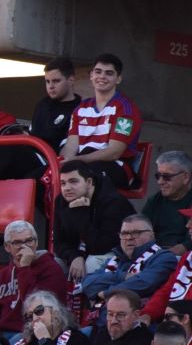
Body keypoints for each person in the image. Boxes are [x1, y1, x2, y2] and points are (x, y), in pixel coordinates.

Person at [64, 52, 144, 190]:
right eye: (98, 71)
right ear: (91, 75)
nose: (102, 76)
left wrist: (78, 161)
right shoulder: (80, 108)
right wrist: (67, 163)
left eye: (109, 73)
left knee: (85, 176)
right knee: (42, 176)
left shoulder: (126, 109)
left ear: (118, 79)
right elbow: (71, 147)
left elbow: (114, 152)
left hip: (116, 166)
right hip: (84, 163)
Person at [55, 157, 135, 278]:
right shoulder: (62, 201)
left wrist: (79, 213)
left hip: (117, 256)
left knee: (93, 262)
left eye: (73, 181)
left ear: (89, 182)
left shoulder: (114, 203)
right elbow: (59, 242)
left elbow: (100, 246)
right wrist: (75, 256)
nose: (67, 188)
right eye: (63, 183)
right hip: (81, 254)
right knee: (53, 263)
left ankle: (93, 297)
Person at [78, 215, 175, 313]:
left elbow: (143, 284)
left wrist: (105, 293)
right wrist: (122, 276)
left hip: (138, 321)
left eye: (136, 233)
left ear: (152, 235)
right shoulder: (115, 259)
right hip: (101, 321)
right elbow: (87, 283)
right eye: (124, 233)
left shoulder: (164, 258)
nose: (128, 238)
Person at [141, 151, 192, 256]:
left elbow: (187, 245)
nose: (160, 181)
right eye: (158, 176)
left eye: (166, 177)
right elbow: (140, 232)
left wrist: (162, 256)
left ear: (186, 177)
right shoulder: (154, 201)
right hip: (154, 256)